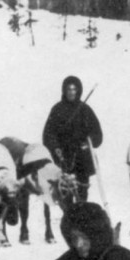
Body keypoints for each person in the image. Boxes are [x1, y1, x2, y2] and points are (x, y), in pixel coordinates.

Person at [42, 75, 103, 203]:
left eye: (74, 89)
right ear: (64, 91)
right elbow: (48, 133)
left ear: (78, 91)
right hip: (63, 157)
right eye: (68, 89)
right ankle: (69, 216)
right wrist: (55, 147)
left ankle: (81, 215)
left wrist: (88, 143)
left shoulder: (85, 110)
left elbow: (97, 134)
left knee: (82, 190)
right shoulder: (57, 110)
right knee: (66, 191)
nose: (71, 92)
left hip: (82, 157)